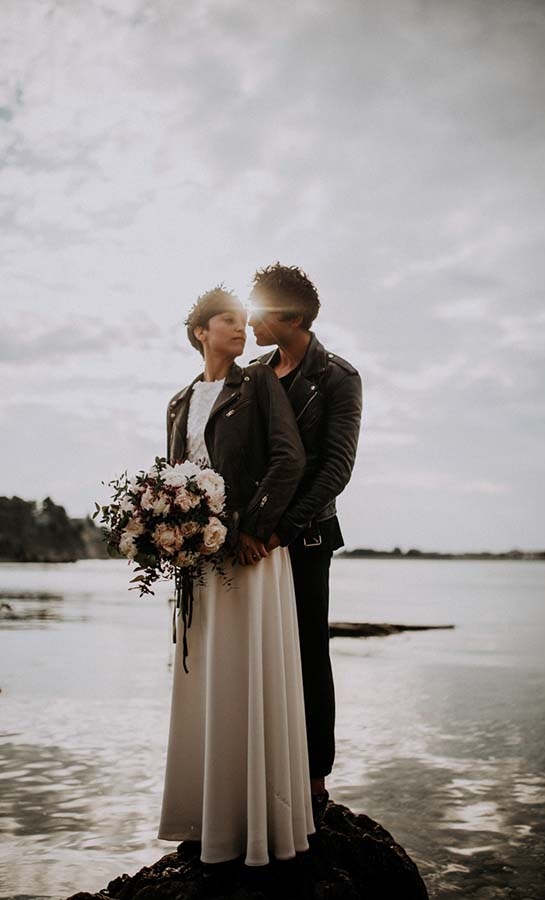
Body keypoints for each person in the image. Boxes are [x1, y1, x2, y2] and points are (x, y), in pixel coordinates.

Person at [158, 286, 314, 867]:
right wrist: (169, 531)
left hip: (249, 554)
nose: (240, 328)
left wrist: (253, 527)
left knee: (246, 677)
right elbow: (174, 475)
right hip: (199, 561)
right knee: (205, 681)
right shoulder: (178, 401)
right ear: (201, 331)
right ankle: (206, 819)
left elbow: (288, 458)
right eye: (228, 319)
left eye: (244, 321)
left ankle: (257, 825)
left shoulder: (259, 384)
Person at [248, 264, 362, 822]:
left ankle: (315, 779)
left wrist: (283, 528)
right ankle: (258, 771)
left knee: (309, 653)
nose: (249, 320)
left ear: (291, 317)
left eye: (258, 310)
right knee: (255, 654)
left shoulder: (338, 377)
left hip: (308, 537)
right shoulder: (253, 375)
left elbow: (336, 469)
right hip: (251, 538)